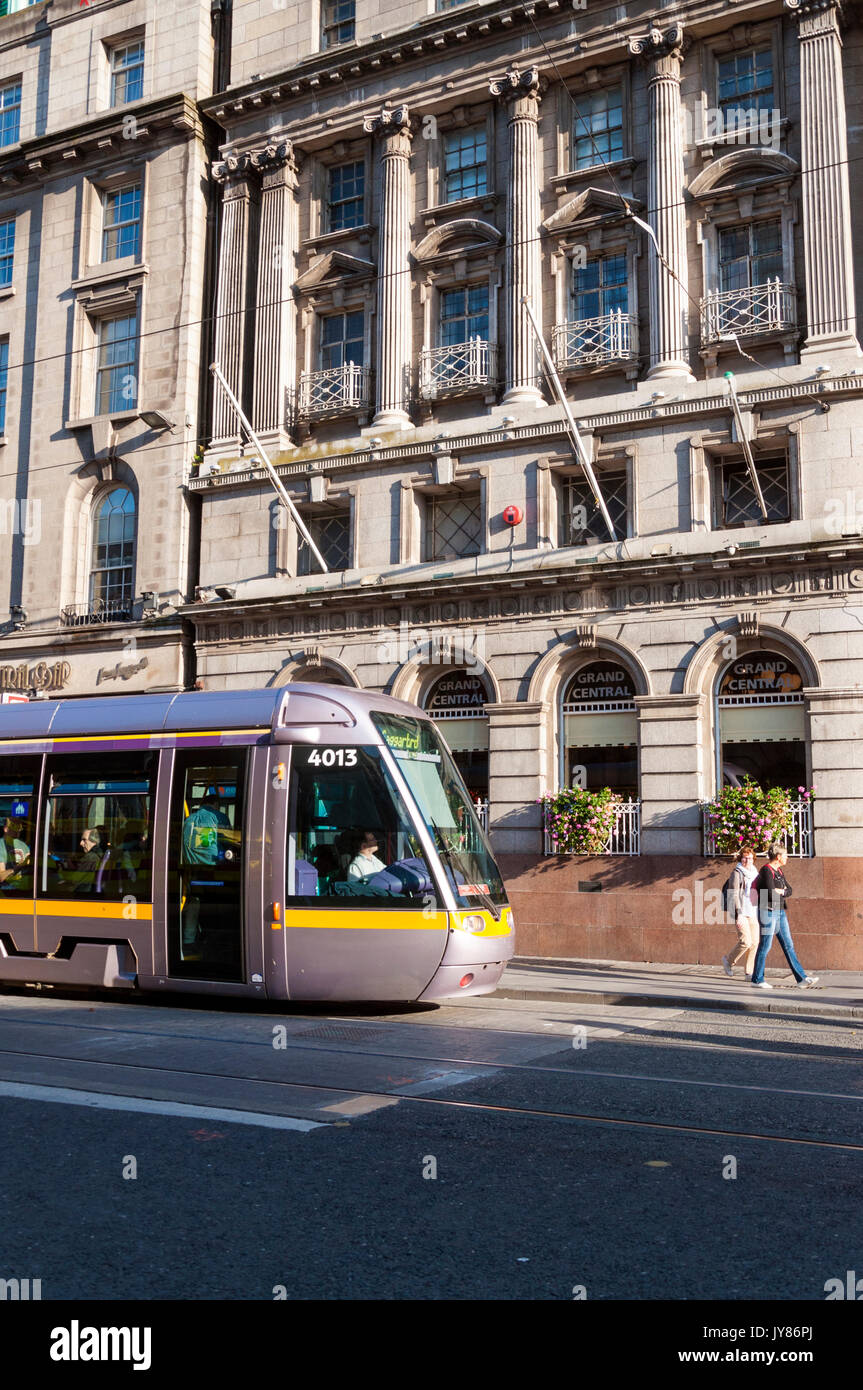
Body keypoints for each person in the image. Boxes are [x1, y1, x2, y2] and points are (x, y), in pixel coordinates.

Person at [751, 842, 820, 990]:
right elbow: (769, 892)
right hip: (768, 911)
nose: (787, 857)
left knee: (788, 945)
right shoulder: (766, 870)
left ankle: (801, 978)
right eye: (786, 855)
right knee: (765, 945)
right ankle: (757, 979)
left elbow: (790, 890)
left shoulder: (779, 872)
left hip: (780, 912)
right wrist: (780, 892)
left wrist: (781, 891)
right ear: (778, 856)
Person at [721, 845, 759, 980]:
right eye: (744, 858)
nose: (747, 860)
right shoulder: (737, 872)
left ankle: (749, 972)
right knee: (745, 942)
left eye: (749, 858)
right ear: (740, 858)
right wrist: (738, 915)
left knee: (755, 943)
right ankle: (728, 961)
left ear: (753, 859)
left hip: (753, 911)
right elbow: (734, 894)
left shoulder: (755, 872)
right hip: (741, 912)